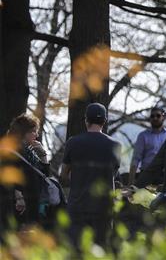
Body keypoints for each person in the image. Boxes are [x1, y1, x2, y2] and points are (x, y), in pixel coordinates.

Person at [61, 103, 121, 248]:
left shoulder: (72, 143)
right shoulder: (115, 146)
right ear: (105, 121)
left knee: (76, 251)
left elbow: (63, 175)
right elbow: (113, 174)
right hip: (103, 208)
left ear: (86, 120)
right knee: (101, 251)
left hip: (78, 206)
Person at [4, 114, 49, 227]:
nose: (37, 135)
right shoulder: (13, 151)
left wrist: (43, 155)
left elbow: (44, 176)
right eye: (34, 131)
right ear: (23, 132)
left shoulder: (30, 152)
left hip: (33, 202)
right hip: (20, 205)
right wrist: (19, 197)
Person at [128, 106, 166, 186]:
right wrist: (131, 181)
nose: (155, 118)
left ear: (164, 117)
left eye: (158, 116)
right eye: (152, 116)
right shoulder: (143, 136)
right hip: (146, 175)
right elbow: (136, 158)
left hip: (165, 176)